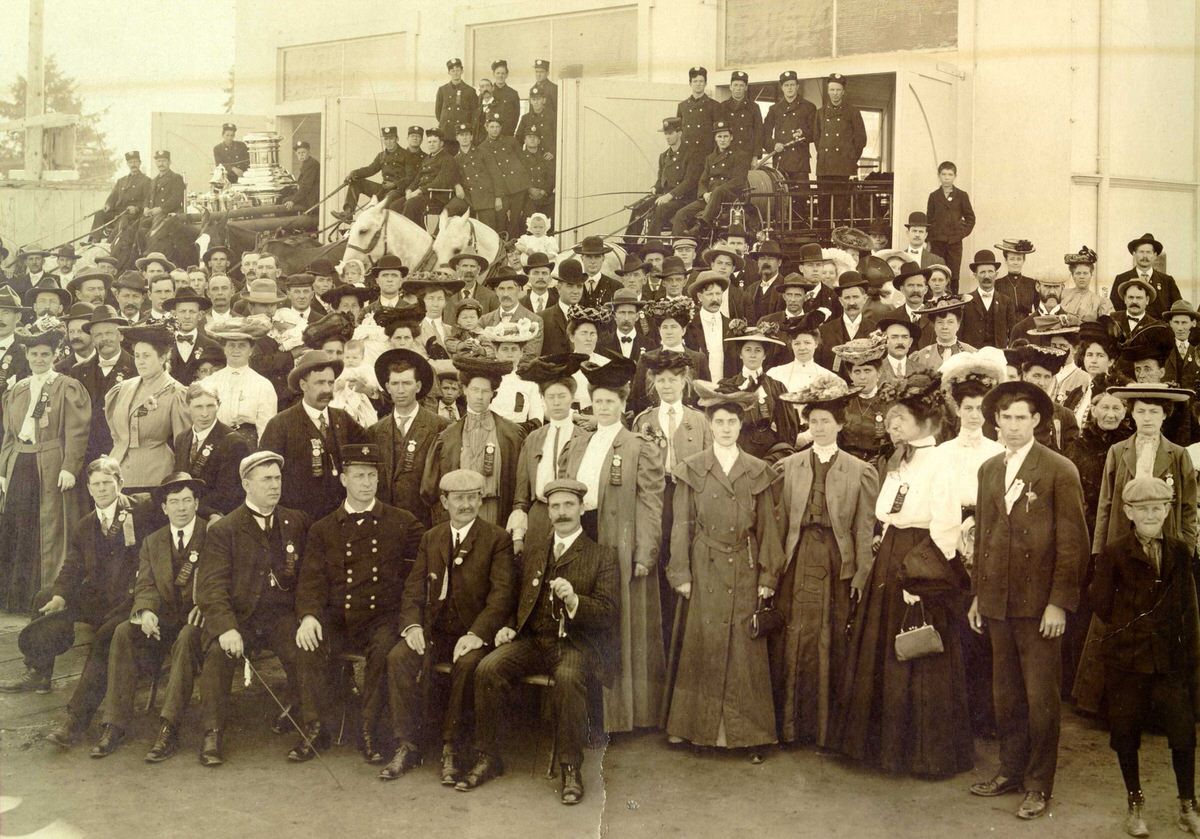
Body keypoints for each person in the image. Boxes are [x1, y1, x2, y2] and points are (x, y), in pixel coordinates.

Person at [831, 373, 975, 777]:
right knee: (882, 646)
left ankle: (921, 754)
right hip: (891, 554)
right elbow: (887, 512)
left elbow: (946, 527)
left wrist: (921, 581)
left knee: (917, 649)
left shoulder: (941, 464)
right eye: (890, 419)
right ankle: (880, 747)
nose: (892, 425)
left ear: (924, 423)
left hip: (919, 559)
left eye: (900, 419)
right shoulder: (899, 459)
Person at [968, 380, 1089, 819]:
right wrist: (979, 596)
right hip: (998, 602)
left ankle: (1039, 784)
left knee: (1041, 700)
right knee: (1006, 696)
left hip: (1040, 606)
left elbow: (1073, 543)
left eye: (1022, 417)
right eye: (1006, 417)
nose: (1013, 426)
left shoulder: (1058, 469)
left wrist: (1059, 602)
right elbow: (983, 536)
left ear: (1037, 420)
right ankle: (1011, 771)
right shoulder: (989, 470)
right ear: (995, 421)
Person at [465, 478, 619, 805]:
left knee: (567, 677)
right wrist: (508, 627)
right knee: (488, 667)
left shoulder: (601, 555)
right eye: (555, 506)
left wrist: (576, 600)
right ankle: (488, 756)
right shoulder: (534, 552)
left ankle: (570, 768)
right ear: (547, 511)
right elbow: (512, 598)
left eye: (568, 505)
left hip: (575, 645)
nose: (561, 513)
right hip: (534, 641)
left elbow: (607, 613)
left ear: (581, 509)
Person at [666, 386, 785, 759]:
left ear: (741, 425)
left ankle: (747, 735)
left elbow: (767, 527)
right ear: (710, 424)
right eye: (719, 422)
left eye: (733, 421)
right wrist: (681, 572)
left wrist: (768, 577)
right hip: (705, 564)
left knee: (744, 650)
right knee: (704, 644)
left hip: (745, 567)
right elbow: (681, 525)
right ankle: (695, 729)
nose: (726, 428)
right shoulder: (693, 467)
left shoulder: (756, 470)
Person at [0, 459, 151, 743]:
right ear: (89, 489)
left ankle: (75, 718)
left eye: (108, 482)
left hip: (131, 599)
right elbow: (72, 566)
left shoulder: (141, 512)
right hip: (99, 597)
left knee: (103, 641)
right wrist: (60, 596)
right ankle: (39, 670)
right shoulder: (85, 525)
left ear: (120, 482)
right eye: (96, 484)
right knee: (45, 597)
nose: (103, 489)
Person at [381, 467, 515, 782]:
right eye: (459, 499)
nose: (466, 505)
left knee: (468, 664)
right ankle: (406, 744)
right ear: (444, 501)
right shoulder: (432, 537)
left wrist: (477, 634)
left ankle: (451, 747)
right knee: (398, 657)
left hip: (473, 632)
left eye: (472, 498)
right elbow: (414, 588)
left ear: (481, 500)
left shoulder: (497, 539)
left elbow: (502, 597)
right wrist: (412, 627)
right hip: (434, 630)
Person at [293, 443, 422, 765]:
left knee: (382, 653)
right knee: (308, 645)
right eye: (359, 475)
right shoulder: (323, 529)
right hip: (338, 617)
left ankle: (369, 730)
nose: (367, 483)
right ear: (343, 479)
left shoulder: (403, 522)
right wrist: (309, 616)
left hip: (382, 618)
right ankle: (315, 727)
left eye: (372, 476)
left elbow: (418, 576)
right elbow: (310, 580)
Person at [1087, 476, 1200, 836]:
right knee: (1126, 731)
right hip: (1127, 659)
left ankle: (1188, 804)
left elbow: (1187, 605)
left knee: (1183, 732)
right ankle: (1134, 803)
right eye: (1143, 509)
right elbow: (1102, 605)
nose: (1151, 515)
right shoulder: (1114, 552)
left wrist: (1187, 653)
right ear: (1128, 512)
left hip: (1169, 660)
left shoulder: (1181, 551)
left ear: (1168, 510)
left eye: (1158, 507)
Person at [559, 354, 666, 732]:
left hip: (620, 543)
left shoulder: (639, 446)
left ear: (623, 405)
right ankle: (585, 709)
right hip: (584, 537)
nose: (603, 407)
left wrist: (645, 551)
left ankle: (622, 716)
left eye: (611, 402)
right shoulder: (579, 442)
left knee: (619, 622)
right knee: (583, 617)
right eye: (598, 401)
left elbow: (652, 503)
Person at [775, 374, 879, 747]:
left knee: (830, 636)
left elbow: (864, 529)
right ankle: (790, 726)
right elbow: (780, 520)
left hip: (837, 561)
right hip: (798, 556)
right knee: (795, 635)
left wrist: (860, 574)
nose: (819, 427)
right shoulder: (789, 466)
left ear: (840, 424)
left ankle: (827, 731)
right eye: (814, 420)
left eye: (826, 421)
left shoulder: (860, 470)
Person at [193, 451, 311, 766]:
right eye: (266, 480)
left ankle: (309, 722)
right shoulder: (224, 529)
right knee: (218, 653)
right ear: (246, 484)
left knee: (304, 647)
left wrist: (308, 616)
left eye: (278, 479)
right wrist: (226, 627)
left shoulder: (295, 521)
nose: (275, 486)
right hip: (239, 617)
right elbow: (211, 587)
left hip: (279, 616)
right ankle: (212, 731)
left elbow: (309, 577)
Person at [90, 472, 209, 759]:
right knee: (122, 631)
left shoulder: (213, 534)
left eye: (187, 501)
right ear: (164, 508)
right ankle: (114, 723)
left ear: (196, 503)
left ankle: (169, 727)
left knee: (185, 638)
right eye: (174, 502)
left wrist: (206, 604)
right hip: (163, 620)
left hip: (200, 622)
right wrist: (145, 612)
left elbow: (223, 580)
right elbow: (146, 583)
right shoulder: (152, 541)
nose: (181, 508)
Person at [929, 350, 1007, 734]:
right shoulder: (942, 454)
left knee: (987, 624)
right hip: (951, 540)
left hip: (990, 538)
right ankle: (957, 714)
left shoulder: (999, 453)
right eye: (968, 407)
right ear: (957, 410)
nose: (974, 415)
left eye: (980, 408)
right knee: (956, 621)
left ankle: (987, 714)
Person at [0, 318, 90, 612]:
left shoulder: (67, 386)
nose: (39, 359)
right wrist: (3, 470)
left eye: (45, 355)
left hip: (51, 462)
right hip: (19, 463)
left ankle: (45, 595)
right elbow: (9, 436)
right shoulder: (17, 390)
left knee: (49, 527)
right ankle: (15, 596)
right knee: (19, 525)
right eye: (34, 354)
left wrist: (69, 466)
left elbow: (77, 431)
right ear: (26, 356)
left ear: (54, 356)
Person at [259, 349, 370, 521]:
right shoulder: (280, 425)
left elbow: (366, 453)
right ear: (303, 385)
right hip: (299, 521)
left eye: (331, 383)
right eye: (319, 383)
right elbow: (265, 477)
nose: (327, 389)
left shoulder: (343, 419)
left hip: (341, 519)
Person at [421, 349, 527, 526]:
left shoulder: (512, 434)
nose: (479, 396)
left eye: (485, 391)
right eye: (475, 390)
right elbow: (429, 489)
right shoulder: (447, 437)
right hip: (459, 513)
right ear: (464, 390)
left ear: (493, 394)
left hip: (496, 511)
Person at [368, 348, 450, 527]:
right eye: (395, 384)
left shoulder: (440, 426)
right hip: (386, 523)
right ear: (387, 387)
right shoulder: (375, 431)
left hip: (426, 521)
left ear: (418, 386)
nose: (401, 390)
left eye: (406, 383)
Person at [104, 324, 190, 489]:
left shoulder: (176, 392)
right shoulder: (122, 388)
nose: (140, 362)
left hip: (156, 476)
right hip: (118, 474)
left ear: (162, 358)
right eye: (137, 356)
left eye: (146, 356)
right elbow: (116, 433)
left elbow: (183, 445)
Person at [172, 380, 251, 520]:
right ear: (187, 407)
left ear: (218, 406)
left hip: (216, 517)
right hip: (184, 515)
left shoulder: (233, 442)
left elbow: (230, 495)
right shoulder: (182, 439)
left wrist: (199, 510)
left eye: (210, 406)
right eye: (198, 407)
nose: (204, 414)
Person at [625, 117, 702, 242]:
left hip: (684, 200)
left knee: (660, 209)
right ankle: (629, 244)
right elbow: (661, 180)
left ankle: (651, 243)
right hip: (666, 198)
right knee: (639, 207)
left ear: (680, 133)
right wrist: (655, 188)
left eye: (670, 133)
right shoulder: (664, 156)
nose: (667, 137)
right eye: (666, 134)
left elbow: (690, 182)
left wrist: (670, 195)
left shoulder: (692, 154)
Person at [203, 317, 278, 444]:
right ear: (224, 349)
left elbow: (266, 428)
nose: (236, 350)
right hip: (216, 442)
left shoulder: (262, 384)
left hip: (249, 443)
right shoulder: (209, 382)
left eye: (242, 346)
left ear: (251, 350)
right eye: (231, 345)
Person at [671, 122, 752, 237]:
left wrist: (715, 192)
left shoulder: (740, 156)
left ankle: (702, 225)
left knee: (718, 190)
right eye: (719, 137)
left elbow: (739, 181)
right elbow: (703, 180)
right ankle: (679, 244)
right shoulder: (710, 158)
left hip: (730, 196)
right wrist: (704, 194)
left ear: (731, 137)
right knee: (681, 214)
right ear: (715, 138)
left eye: (725, 136)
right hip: (710, 197)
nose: (722, 140)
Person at [333, 126, 409, 221]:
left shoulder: (406, 155)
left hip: (398, 191)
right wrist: (354, 173)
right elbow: (370, 169)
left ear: (397, 139)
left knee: (384, 203)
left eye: (391, 138)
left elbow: (410, 177)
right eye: (386, 139)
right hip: (383, 189)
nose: (388, 142)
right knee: (356, 182)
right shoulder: (381, 156)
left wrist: (394, 184)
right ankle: (348, 213)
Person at [924, 161, 975, 286]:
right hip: (937, 243)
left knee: (953, 275)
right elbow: (928, 220)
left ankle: (954, 302)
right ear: (939, 175)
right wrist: (929, 241)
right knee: (936, 273)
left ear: (955, 176)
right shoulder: (934, 196)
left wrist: (961, 234)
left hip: (954, 244)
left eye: (950, 174)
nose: (947, 178)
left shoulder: (962, 195)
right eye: (944, 174)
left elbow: (970, 218)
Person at [1109, 232, 1181, 320]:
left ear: (1155, 255)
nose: (1145, 256)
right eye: (1141, 252)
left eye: (1148, 252)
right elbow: (1115, 309)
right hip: (1130, 331)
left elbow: (1177, 309)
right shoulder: (1121, 279)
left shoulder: (1167, 281)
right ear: (1134, 254)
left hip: (1160, 330)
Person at [761, 70, 816, 181]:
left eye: (792, 85)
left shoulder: (809, 107)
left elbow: (815, 133)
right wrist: (773, 145)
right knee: (782, 196)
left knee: (801, 196)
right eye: (786, 85)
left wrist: (803, 133)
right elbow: (764, 134)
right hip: (781, 160)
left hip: (800, 162)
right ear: (782, 88)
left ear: (797, 86)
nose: (789, 88)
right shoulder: (774, 109)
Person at [92, 151, 151, 244]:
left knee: (123, 219)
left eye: (135, 162)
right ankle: (94, 240)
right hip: (119, 210)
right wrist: (107, 205)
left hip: (133, 214)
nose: (133, 164)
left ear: (140, 163)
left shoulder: (146, 180)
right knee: (99, 214)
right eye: (131, 162)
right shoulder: (121, 181)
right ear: (127, 164)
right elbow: (113, 196)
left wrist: (137, 208)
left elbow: (148, 199)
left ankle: (110, 243)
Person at [163, 290, 220, 387]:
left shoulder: (213, 347)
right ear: (173, 314)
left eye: (192, 311)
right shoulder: (163, 345)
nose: (187, 316)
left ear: (200, 315)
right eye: (182, 311)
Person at [907, 295, 975, 374]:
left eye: (950, 322)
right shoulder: (920, 356)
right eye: (940, 322)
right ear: (934, 325)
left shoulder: (971, 353)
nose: (945, 327)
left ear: (958, 325)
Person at [676, 66, 719, 164]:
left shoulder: (714, 105)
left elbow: (718, 133)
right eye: (695, 81)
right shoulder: (682, 106)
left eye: (701, 81)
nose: (698, 84)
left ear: (705, 83)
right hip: (687, 154)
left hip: (706, 155)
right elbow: (679, 132)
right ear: (690, 83)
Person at [1059, 245, 1111, 321]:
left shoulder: (1099, 300)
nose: (1082, 277)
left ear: (1091, 275)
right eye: (1078, 273)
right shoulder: (1062, 295)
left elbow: (1106, 325)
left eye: (1085, 273)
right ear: (1073, 276)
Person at [435, 58, 479, 142]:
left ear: (462, 71)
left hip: (462, 132)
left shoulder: (470, 91)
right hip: (446, 132)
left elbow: (474, 114)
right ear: (449, 72)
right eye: (453, 71)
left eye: (458, 70)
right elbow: (438, 112)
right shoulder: (442, 90)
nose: (455, 73)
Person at [994, 238, 1039, 316]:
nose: (1015, 263)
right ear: (1006, 260)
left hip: (1026, 325)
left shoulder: (1032, 283)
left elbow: (1038, 310)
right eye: (1012, 259)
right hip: (1005, 325)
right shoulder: (998, 284)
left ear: (1023, 260)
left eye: (1019, 259)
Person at [487, 60, 520, 137]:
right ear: (493, 74)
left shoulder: (513, 94)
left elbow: (516, 116)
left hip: (506, 134)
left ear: (506, 75)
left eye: (503, 73)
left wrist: (509, 132)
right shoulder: (487, 93)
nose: (500, 76)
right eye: (498, 73)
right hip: (490, 135)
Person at [286, 140, 319, 213]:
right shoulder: (306, 163)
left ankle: (286, 224)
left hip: (312, 199)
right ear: (296, 154)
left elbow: (306, 186)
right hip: (308, 196)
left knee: (285, 201)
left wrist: (293, 201)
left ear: (309, 152)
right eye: (299, 153)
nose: (301, 155)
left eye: (303, 152)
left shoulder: (312, 164)